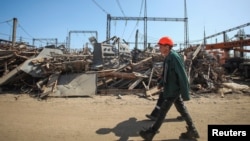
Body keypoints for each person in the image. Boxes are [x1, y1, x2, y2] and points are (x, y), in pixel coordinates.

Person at [139, 36, 200, 140]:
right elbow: (167, 74)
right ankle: (192, 130)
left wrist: (185, 93)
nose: (159, 48)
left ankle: (151, 133)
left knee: (163, 111)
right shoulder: (168, 57)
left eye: (160, 46)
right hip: (170, 88)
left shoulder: (174, 57)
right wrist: (161, 83)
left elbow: (182, 75)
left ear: (167, 46)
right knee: (182, 110)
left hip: (173, 89)